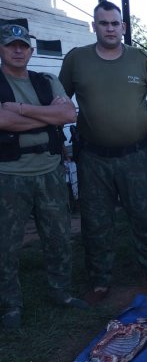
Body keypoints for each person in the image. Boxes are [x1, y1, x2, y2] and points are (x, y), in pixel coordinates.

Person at [58, 1, 147, 304]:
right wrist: (57, 140)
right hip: (93, 159)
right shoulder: (77, 60)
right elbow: (58, 103)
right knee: (95, 222)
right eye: (104, 23)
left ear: (123, 27)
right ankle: (100, 283)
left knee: (146, 218)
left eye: (115, 23)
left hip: (135, 156)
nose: (110, 28)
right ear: (95, 26)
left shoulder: (139, 59)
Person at [0, 23, 88, 328]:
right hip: (9, 175)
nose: (18, 50)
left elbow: (67, 115)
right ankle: (11, 304)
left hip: (50, 171)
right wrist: (43, 116)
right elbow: (1, 120)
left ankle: (61, 292)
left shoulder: (47, 80)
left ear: (31, 50)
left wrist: (19, 110)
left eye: (23, 46)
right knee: (6, 245)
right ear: (2, 49)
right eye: (11, 45)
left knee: (59, 237)